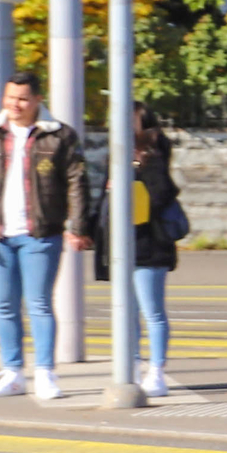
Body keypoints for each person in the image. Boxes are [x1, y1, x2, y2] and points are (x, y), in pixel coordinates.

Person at [0, 73, 89, 399]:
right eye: (10, 98)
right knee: (5, 306)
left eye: (21, 99)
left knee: (39, 304)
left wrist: (77, 227)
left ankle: (45, 373)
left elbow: (77, 183)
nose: (14, 105)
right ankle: (13, 373)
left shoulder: (59, 136)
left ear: (36, 101)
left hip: (40, 234)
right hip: (0, 235)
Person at [88, 103, 184, 397]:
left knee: (151, 311)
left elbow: (162, 193)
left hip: (148, 245)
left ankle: (156, 371)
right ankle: (131, 363)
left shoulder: (152, 153)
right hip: (118, 246)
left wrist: (134, 186)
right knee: (126, 312)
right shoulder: (115, 155)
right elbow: (102, 199)